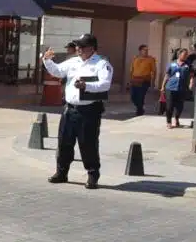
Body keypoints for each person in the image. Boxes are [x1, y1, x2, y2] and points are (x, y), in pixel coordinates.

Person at [41, 33, 113, 189]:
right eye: (78, 46)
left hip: (89, 110)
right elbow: (58, 71)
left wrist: (86, 86)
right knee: (64, 142)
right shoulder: (73, 61)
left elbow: (105, 84)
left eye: (82, 46)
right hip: (70, 109)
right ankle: (61, 173)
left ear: (92, 48)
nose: (78, 49)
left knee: (88, 144)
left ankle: (93, 175)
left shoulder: (101, 64)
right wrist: (47, 60)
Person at [161, 48, 192, 129]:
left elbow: (192, 76)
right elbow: (167, 75)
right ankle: (168, 122)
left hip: (182, 88)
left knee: (180, 106)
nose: (186, 56)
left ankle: (177, 118)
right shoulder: (172, 63)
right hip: (170, 88)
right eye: (184, 54)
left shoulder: (188, 65)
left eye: (187, 55)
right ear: (179, 54)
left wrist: (191, 84)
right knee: (169, 106)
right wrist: (162, 86)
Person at [128, 44, 157, 116]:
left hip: (145, 81)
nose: (146, 51)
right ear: (140, 51)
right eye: (145, 50)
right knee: (133, 97)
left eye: (147, 50)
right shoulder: (135, 58)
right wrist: (130, 80)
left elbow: (154, 71)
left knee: (141, 96)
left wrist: (153, 82)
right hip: (134, 80)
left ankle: (139, 111)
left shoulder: (151, 59)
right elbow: (131, 70)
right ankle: (140, 108)